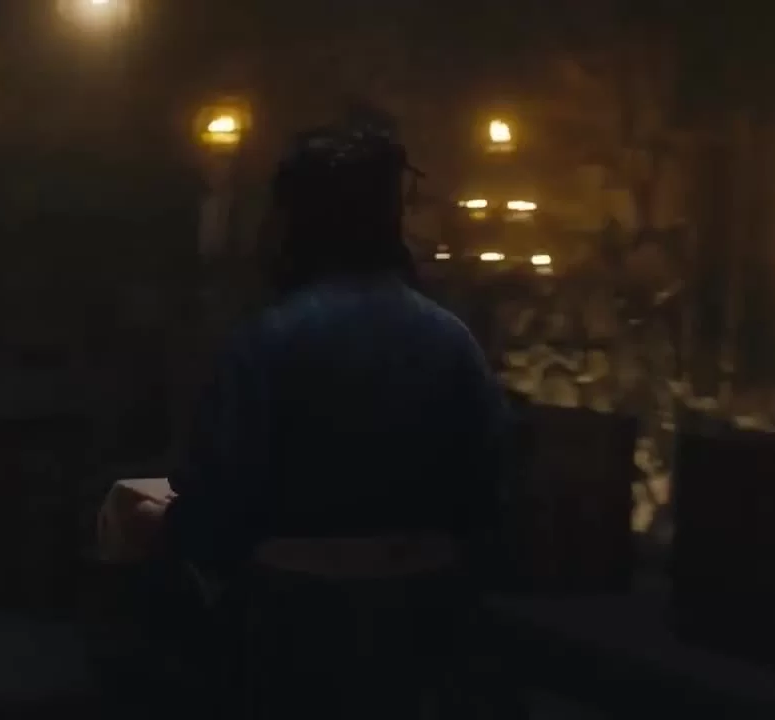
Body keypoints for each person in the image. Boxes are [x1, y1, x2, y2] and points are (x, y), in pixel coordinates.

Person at [161, 115, 513, 718]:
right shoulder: (449, 339)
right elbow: (488, 483)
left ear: (294, 222)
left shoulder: (270, 340)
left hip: (295, 618)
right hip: (423, 616)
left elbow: (221, 494)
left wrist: (191, 553)